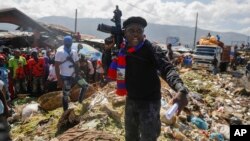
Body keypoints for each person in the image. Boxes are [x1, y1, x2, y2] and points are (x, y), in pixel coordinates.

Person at [107, 16, 189, 141]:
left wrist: (181, 89)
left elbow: (167, 68)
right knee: (130, 137)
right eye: (131, 31)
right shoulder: (121, 51)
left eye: (139, 31)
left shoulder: (151, 49)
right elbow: (108, 69)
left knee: (148, 137)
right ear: (124, 33)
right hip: (131, 100)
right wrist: (107, 51)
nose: (135, 34)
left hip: (149, 101)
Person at [55, 36, 88, 111]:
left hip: (75, 75)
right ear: (64, 43)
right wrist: (59, 79)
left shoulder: (74, 51)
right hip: (65, 76)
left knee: (85, 86)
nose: (68, 44)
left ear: (71, 43)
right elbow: (56, 67)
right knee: (66, 94)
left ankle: (80, 101)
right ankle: (65, 111)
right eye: (67, 43)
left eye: (69, 43)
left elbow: (77, 63)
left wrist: (78, 71)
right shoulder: (59, 52)